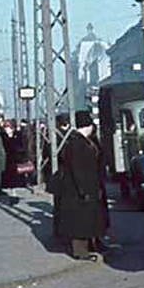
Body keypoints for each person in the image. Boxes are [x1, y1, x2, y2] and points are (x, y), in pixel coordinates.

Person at [56, 110, 107, 261]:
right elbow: (78, 169)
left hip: (87, 186)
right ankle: (80, 251)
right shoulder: (77, 143)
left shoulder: (82, 140)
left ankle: (91, 245)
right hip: (79, 189)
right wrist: (83, 190)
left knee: (89, 218)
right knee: (80, 221)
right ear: (87, 125)